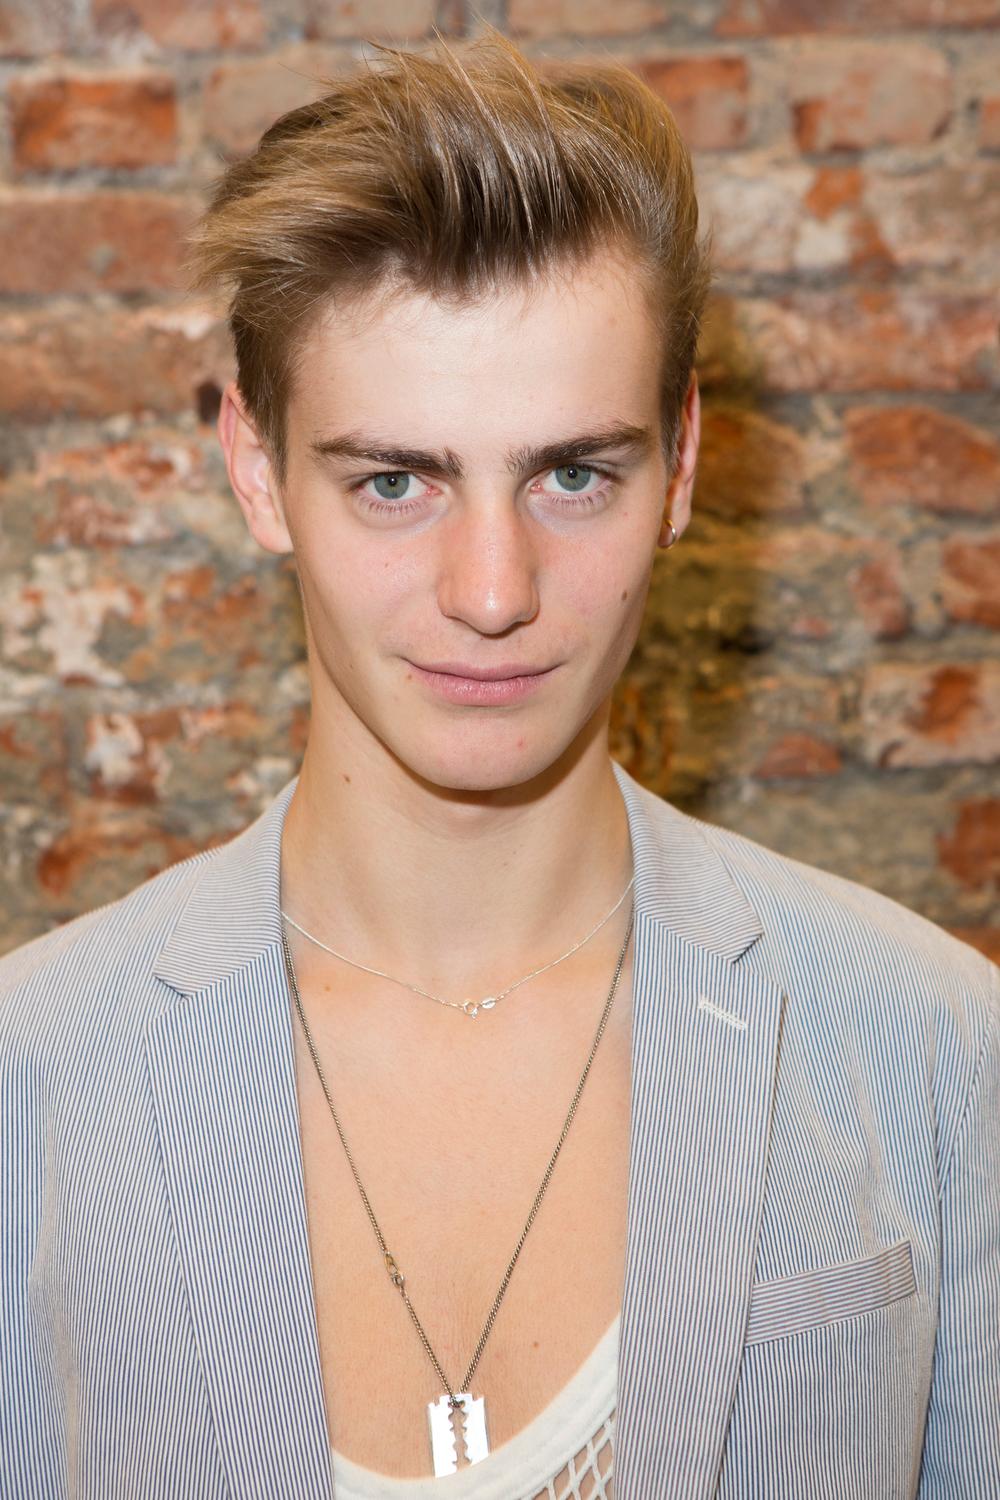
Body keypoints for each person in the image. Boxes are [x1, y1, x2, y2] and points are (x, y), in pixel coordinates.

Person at [2, 26, 997, 1500]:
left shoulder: (935, 1047)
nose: (492, 591)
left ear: (681, 463)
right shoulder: (30, 1080)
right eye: (394, 481)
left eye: (574, 475)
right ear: (257, 471)